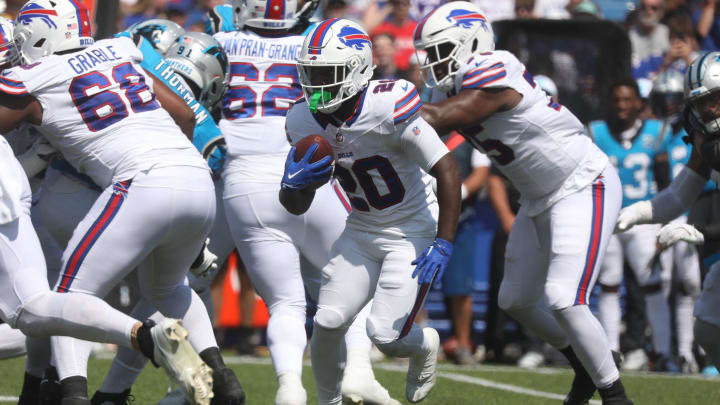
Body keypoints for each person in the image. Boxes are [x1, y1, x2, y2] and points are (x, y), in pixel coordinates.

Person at [3, 1, 244, 403]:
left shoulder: (36, 77)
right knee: (167, 286)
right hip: (195, 178)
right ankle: (222, 378)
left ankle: (73, 394)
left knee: (69, 296)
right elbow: (185, 116)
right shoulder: (120, 52)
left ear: (43, 34)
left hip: (141, 181)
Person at [414, 2, 631, 404]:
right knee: (515, 300)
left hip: (582, 182)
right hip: (538, 196)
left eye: (438, 50)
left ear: (471, 43)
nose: (432, 62)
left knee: (564, 297)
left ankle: (616, 396)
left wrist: (377, 108)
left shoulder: (495, 66)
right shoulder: (450, 85)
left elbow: (447, 115)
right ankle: (586, 362)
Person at [214, 3, 397, 404]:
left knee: (284, 302)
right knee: (348, 285)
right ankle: (357, 374)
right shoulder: (315, 37)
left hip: (241, 179)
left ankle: (289, 389)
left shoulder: (221, 39)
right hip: (308, 163)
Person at [282, 18, 461, 404]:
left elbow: (446, 167)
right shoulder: (302, 120)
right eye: (309, 74)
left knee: (387, 336)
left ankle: (425, 344)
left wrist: (444, 241)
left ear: (356, 70)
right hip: (361, 228)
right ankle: (328, 401)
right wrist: (292, 185)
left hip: (411, 228)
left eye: (325, 74)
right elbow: (297, 206)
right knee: (327, 321)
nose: (314, 85)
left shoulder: (388, 103)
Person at [616, 51, 720, 373]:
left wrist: (703, 233)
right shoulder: (708, 140)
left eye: (715, 98)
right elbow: (678, 194)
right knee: (707, 325)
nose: (709, 108)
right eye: (702, 102)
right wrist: (632, 214)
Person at [589, 78, 678, 372]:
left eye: (628, 100)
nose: (622, 106)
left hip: (643, 218)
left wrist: (662, 222)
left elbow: (666, 183)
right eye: (617, 100)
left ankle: (664, 352)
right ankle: (611, 352)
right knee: (610, 287)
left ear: (639, 102)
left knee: (652, 286)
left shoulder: (656, 132)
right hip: (610, 222)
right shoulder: (597, 132)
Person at [649, 69, 704, 373]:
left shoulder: (694, 132)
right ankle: (662, 351)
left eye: (674, 100)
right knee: (661, 281)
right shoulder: (655, 134)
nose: (669, 106)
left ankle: (687, 351)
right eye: (664, 100)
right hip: (663, 211)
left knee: (691, 284)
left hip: (692, 212)